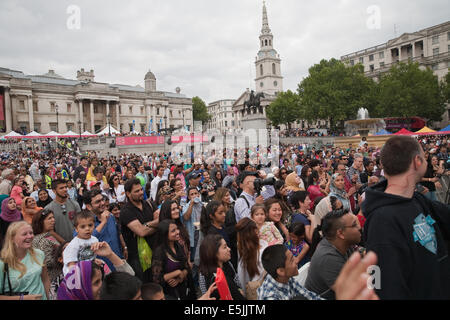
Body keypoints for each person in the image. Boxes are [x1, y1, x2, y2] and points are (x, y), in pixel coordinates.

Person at [362, 135, 450, 299]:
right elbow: (383, 289)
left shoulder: (416, 199)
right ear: (417, 161)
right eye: (424, 157)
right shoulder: (382, 222)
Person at [304, 209, 361, 300]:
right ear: (341, 233)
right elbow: (353, 294)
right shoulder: (328, 258)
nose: (359, 227)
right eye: (354, 225)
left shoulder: (344, 244)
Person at [57, 242, 135, 300]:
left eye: (101, 280)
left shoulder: (98, 266)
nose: (102, 285)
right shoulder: (64, 282)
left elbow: (128, 280)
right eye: (96, 282)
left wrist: (110, 255)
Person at [120, 178, 159, 282]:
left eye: (141, 189)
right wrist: (154, 226)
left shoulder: (149, 204)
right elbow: (141, 232)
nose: (141, 192)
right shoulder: (126, 211)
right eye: (136, 191)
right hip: (138, 258)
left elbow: (161, 219)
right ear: (128, 194)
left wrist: (147, 224)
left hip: (155, 252)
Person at [0, 221, 50, 300]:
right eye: (24, 234)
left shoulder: (39, 254)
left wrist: (49, 297)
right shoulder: (3, 262)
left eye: (31, 233)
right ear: (12, 238)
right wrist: (22, 298)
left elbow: (45, 279)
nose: (29, 236)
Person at [257, 244, 322, 300]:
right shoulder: (270, 297)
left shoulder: (285, 277)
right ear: (281, 271)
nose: (296, 260)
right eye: (291, 260)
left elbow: (309, 295)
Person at [151, 219, 196, 300]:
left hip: (183, 289)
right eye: (173, 231)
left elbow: (187, 267)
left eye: (177, 229)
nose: (178, 232)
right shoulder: (159, 252)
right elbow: (157, 279)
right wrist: (177, 272)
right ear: (164, 234)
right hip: (169, 294)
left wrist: (180, 277)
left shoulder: (178, 245)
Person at [83, 189, 124, 271]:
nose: (102, 203)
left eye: (102, 200)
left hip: (118, 263)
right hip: (102, 269)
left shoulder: (110, 216)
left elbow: (116, 235)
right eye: (98, 202)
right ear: (89, 207)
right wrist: (103, 223)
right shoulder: (83, 223)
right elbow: (84, 241)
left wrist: (124, 249)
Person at [198, 234, 245, 300]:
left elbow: (236, 281)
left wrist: (239, 290)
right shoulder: (209, 275)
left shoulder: (227, 264)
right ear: (214, 253)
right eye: (225, 247)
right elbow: (205, 293)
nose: (229, 249)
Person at [31, 209, 62, 300]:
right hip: (51, 279)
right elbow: (47, 261)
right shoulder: (43, 240)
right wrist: (61, 259)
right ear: (41, 222)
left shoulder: (48, 236)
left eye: (53, 217)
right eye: (49, 218)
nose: (53, 220)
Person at [235, 217, 268, 298]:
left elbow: (243, 281)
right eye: (256, 228)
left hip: (255, 291)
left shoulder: (243, 251)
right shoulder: (263, 249)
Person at [62, 210, 99, 276]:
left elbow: (92, 257)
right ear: (76, 229)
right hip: (76, 274)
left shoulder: (95, 240)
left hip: (90, 272)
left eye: (90, 225)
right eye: (83, 227)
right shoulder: (74, 244)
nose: (87, 229)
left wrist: (95, 261)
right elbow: (71, 265)